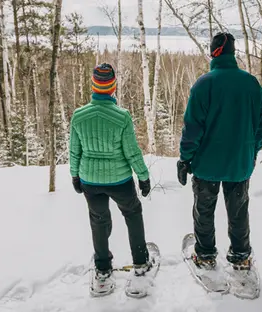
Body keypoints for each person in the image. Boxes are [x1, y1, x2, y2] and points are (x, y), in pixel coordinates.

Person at [177, 32, 262, 271]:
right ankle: (241, 254)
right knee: (238, 211)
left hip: (206, 164)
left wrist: (185, 159)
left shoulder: (204, 84)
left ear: (213, 52)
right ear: (233, 53)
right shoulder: (250, 83)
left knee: (204, 210)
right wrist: (251, 151)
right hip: (240, 164)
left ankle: (206, 254)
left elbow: (192, 129)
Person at [69, 63, 152, 295]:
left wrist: (75, 176)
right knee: (133, 214)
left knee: (98, 220)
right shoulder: (122, 117)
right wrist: (143, 177)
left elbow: (74, 151)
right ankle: (140, 262)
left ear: (94, 86)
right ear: (113, 87)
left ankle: (103, 270)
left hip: (90, 181)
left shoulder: (79, 116)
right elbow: (132, 152)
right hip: (120, 181)